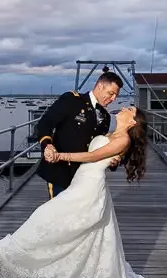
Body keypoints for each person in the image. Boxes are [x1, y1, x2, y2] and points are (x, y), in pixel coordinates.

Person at [0, 106, 152, 278]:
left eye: (130, 109)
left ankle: (1, 252)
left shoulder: (123, 140)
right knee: (71, 232)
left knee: (46, 218)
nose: (124, 108)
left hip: (88, 189)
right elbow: (103, 156)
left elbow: (92, 157)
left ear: (133, 122)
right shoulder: (112, 135)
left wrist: (60, 156)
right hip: (80, 183)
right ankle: (23, 260)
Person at [34, 71, 122, 199]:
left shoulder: (106, 117)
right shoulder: (72, 100)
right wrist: (47, 145)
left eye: (116, 95)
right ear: (100, 86)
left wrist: (111, 162)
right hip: (61, 172)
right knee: (59, 215)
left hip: (86, 177)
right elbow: (45, 123)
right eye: (111, 93)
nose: (113, 98)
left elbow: (98, 148)